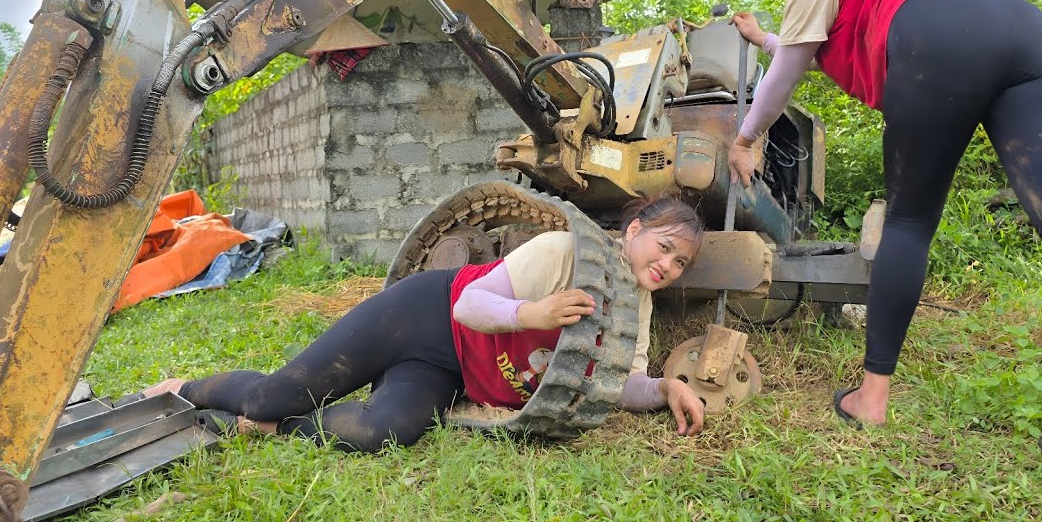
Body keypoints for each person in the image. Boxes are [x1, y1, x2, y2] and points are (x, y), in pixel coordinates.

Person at [723, 0, 1042, 490]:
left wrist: (746, 137)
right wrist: (764, 36)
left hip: (933, 41)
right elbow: (805, 43)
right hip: (1019, 31)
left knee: (908, 224)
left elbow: (790, 68)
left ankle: (873, 397)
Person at [143, 195, 706, 452]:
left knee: (383, 432)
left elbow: (616, 382)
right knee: (277, 394)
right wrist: (533, 313)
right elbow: (470, 306)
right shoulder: (565, 251)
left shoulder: (636, 310)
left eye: (680, 264)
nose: (667, 265)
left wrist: (663, 388)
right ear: (633, 232)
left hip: (449, 370)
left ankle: (269, 431)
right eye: (664, 247)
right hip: (425, 314)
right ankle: (181, 389)